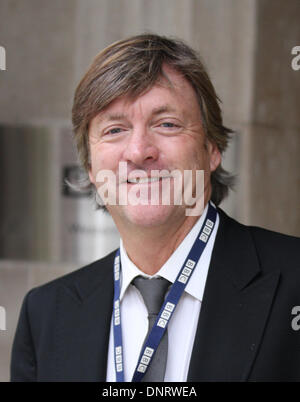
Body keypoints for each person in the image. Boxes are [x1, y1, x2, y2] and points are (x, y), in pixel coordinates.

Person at [11, 34, 300, 382]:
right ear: (90, 167)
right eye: (115, 129)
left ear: (212, 148)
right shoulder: (46, 316)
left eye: (166, 124)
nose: (138, 151)